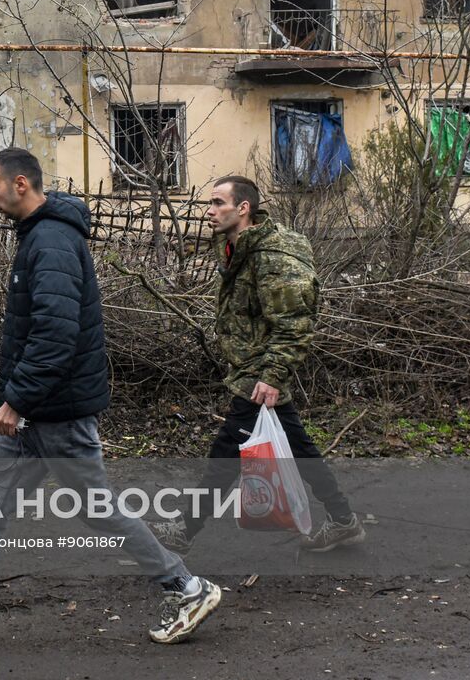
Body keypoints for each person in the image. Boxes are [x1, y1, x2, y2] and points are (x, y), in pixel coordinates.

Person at [0, 148, 221, 645]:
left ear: (22, 184)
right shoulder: (39, 236)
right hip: (43, 407)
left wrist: (18, 400)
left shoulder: (50, 241)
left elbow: (56, 334)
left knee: (99, 508)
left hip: (54, 409)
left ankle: (186, 586)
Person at [151, 175, 363, 553]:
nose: (209, 211)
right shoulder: (237, 248)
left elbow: (295, 323)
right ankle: (343, 520)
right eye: (209, 204)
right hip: (251, 367)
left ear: (243, 208)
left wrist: (272, 375)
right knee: (297, 445)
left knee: (225, 456)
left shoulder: (273, 257)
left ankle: (184, 531)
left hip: (261, 373)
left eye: (217, 203)